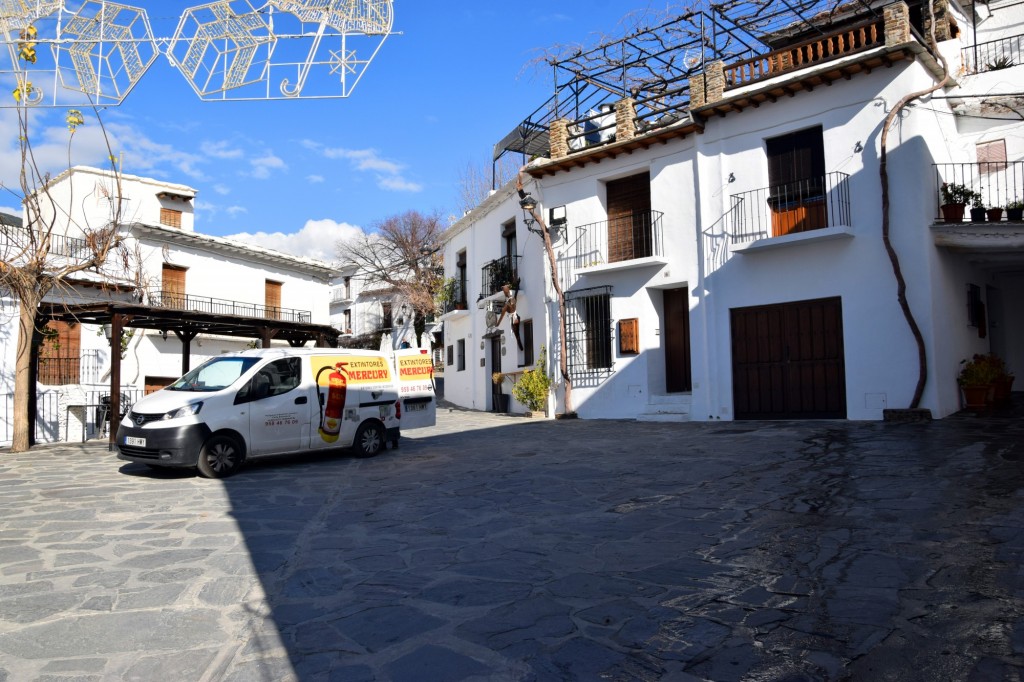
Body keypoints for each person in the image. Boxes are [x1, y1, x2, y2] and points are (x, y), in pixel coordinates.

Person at [496, 279, 524, 351]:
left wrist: (498, 324)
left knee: (517, 334)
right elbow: (516, 293)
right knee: (517, 334)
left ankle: (520, 347)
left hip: (514, 318)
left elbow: (502, 316)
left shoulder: (508, 303)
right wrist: (517, 284)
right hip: (516, 317)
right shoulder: (512, 299)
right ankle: (520, 346)